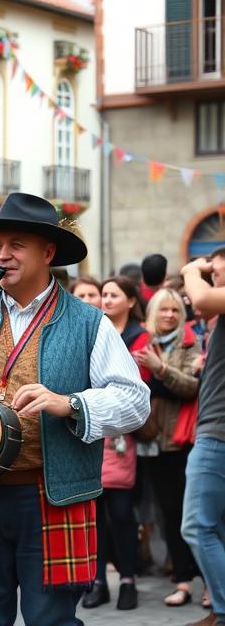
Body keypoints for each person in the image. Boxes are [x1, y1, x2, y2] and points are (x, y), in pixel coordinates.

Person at [0, 192, 150, 626]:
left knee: (49, 620)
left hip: (50, 495)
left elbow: (135, 402)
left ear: (47, 252)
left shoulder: (88, 322)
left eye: (16, 244)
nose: (2, 254)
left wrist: (69, 403)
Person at [131, 288, 205, 609]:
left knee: (197, 515)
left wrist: (159, 369)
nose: (170, 316)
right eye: (164, 310)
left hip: (182, 440)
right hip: (152, 442)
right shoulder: (144, 345)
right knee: (168, 515)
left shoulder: (191, 344)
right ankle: (184, 580)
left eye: (175, 310)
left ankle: (209, 583)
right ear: (153, 314)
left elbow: (192, 386)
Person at [81, 276, 147, 610]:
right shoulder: (87, 332)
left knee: (121, 512)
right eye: (98, 294)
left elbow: (138, 395)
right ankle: (97, 581)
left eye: (108, 294)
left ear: (131, 300)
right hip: (89, 436)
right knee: (93, 514)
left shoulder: (136, 337)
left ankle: (127, 579)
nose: (102, 300)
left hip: (121, 439)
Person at [180, 247, 225, 626]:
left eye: (219, 268)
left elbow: (200, 298)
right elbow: (201, 307)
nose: (213, 273)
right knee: (216, 528)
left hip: (218, 436)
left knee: (196, 525)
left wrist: (192, 269)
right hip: (214, 432)